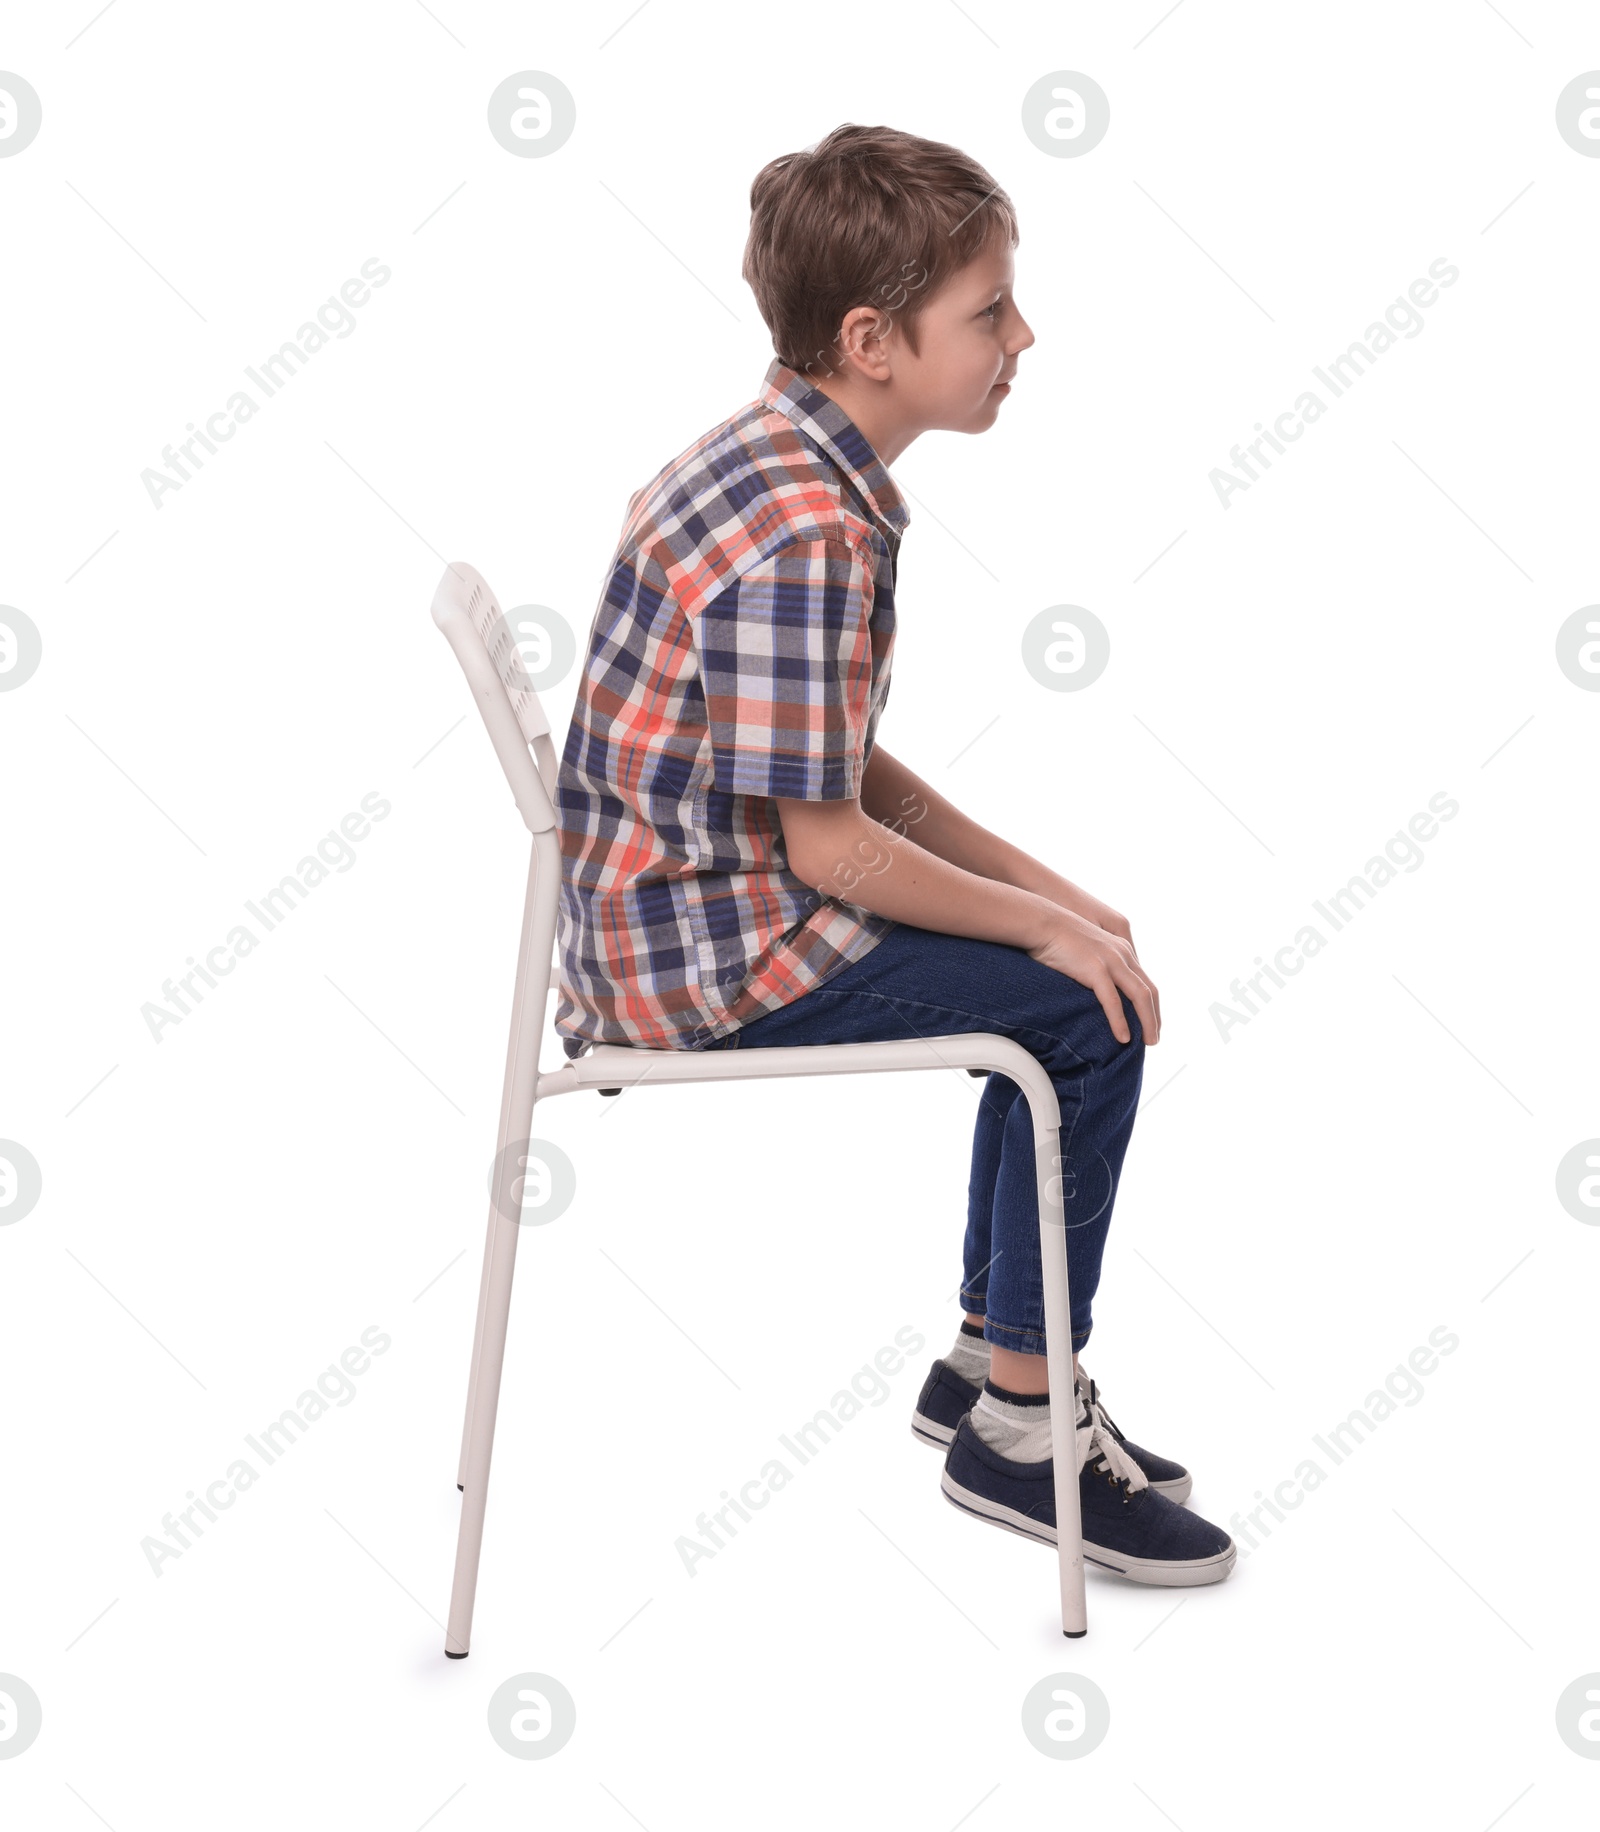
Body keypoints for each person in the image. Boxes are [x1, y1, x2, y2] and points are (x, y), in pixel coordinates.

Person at [554, 123, 1235, 1587]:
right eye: (989, 311)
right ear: (872, 339)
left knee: (1054, 968)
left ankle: (999, 1362)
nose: (1022, 336)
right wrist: (1042, 938)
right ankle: (1022, 1430)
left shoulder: (783, 456)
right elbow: (831, 848)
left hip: (681, 908)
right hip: (704, 953)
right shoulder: (808, 528)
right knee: (1077, 1016)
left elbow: (834, 767)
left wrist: (1038, 895)